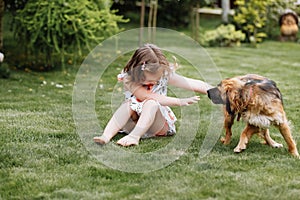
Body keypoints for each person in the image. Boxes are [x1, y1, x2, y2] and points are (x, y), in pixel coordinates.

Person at [93, 44, 211, 147]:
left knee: (151, 103)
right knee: (129, 104)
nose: (154, 83)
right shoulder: (129, 79)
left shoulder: (163, 74)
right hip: (134, 122)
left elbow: (190, 83)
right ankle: (106, 136)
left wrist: (213, 90)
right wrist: (178, 101)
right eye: (149, 80)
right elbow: (145, 95)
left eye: (157, 79)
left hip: (158, 125)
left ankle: (134, 137)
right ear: (137, 72)